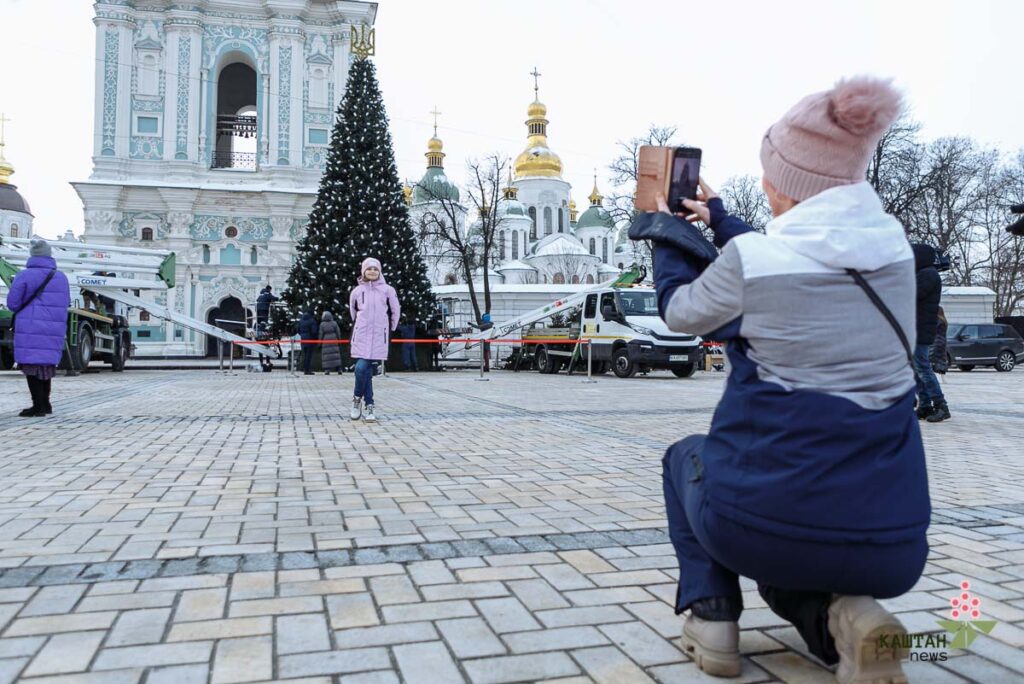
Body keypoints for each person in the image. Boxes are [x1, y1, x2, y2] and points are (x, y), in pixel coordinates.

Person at [652, 77, 929, 683]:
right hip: (894, 545)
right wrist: (721, 219)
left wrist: (663, 231)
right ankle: (841, 618)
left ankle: (713, 617)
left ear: (788, 184)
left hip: (761, 524)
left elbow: (680, 311)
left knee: (685, 461)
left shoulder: (756, 265)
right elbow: (804, 254)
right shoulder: (895, 256)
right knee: (799, 531)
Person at [7, 239, 71, 417]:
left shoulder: (24, 275)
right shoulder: (60, 277)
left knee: (32, 365)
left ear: (32, 255)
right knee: (45, 365)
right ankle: (46, 403)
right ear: (49, 255)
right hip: (53, 328)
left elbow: (13, 303)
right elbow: (66, 302)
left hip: (30, 327)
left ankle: (38, 406)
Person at [349, 257, 400, 422]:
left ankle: (357, 399)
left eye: (375, 269)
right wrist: (358, 326)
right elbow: (352, 310)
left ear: (380, 272)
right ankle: (369, 405)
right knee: (364, 371)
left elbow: (395, 309)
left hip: (378, 336)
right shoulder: (357, 291)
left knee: (362, 369)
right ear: (363, 271)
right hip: (362, 334)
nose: (372, 272)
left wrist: (391, 328)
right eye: (369, 269)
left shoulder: (387, 290)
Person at [913, 244, 949, 422]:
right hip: (916, 327)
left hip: (921, 327)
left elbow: (912, 293)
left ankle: (940, 405)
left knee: (922, 367)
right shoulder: (924, 273)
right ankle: (925, 405)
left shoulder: (928, 274)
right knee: (917, 368)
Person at [297, 310, 319, 375]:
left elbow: (297, 329)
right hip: (310, 339)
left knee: (305, 354)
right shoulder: (312, 321)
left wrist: (302, 335)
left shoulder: (301, 320)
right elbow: (314, 331)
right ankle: (307, 370)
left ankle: (304, 369)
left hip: (303, 340)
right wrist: (315, 338)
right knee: (308, 356)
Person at [930, 305, 949, 375]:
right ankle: (941, 374)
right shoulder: (944, 320)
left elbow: (932, 330)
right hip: (942, 342)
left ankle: (936, 374)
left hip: (936, 342)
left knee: (932, 359)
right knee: (940, 360)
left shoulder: (937, 320)